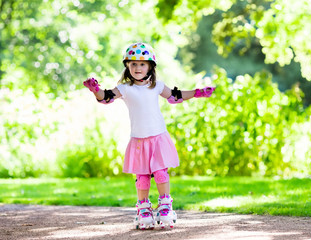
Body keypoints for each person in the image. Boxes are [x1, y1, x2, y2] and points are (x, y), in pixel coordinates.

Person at [83, 42, 215, 230]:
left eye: (142, 64)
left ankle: (164, 206)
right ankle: (143, 208)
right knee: (142, 177)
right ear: (127, 67)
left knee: (161, 173)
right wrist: (95, 89)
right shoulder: (125, 88)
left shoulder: (157, 86)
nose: (137, 68)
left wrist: (197, 93)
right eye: (133, 64)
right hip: (139, 140)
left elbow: (175, 96)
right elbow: (106, 97)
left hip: (158, 137)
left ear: (150, 67)